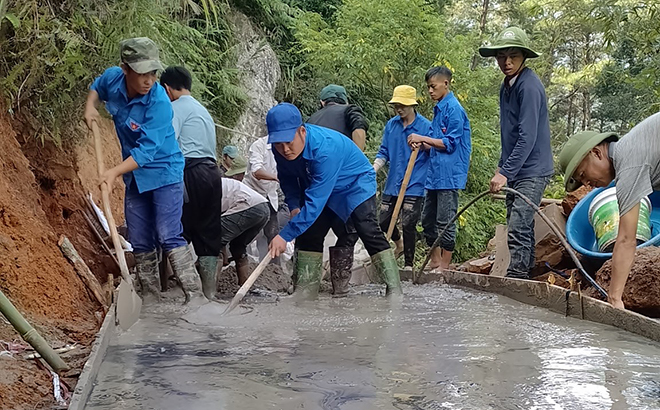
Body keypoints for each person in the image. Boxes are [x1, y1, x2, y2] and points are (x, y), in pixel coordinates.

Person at [83, 38, 206, 305]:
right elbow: (97, 87)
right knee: (139, 237)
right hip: (136, 176)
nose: (148, 80)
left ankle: (195, 298)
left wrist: (113, 172)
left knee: (167, 233)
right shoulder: (113, 79)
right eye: (142, 73)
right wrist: (90, 105)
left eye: (153, 73)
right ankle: (150, 299)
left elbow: (147, 151)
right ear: (125, 69)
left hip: (164, 172)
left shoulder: (159, 102)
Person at [266, 103, 401, 297]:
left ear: (302, 131)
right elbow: (287, 179)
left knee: (365, 228)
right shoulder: (280, 149)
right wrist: (294, 206)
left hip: (354, 185)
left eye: (288, 142)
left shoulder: (325, 149)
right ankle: (305, 291)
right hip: (320, 186)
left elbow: (315, 203)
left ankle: (394, 288)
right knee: (309, 233)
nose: (285, 149)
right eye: (278, 144)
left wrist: (285, 235)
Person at [558, 113, 660, 309]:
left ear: (596, 153)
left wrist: (614, 299)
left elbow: (626, 240)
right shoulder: (634, 150)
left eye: (583, 174)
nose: (586, 183)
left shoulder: (629, 163)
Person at [479, 27, 553, 279]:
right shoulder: (506, 86)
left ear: (523, 57)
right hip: (516, 167)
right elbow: (508, 133)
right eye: (501, 56)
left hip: (533, 168)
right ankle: (524, 274)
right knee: (517, 222)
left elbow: (528, 136)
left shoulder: (529, 87)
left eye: (513, 56)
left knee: (519, 224)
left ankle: (517, 277)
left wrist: (505, 173)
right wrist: (502, 167)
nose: (506, 62)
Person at [160, 66, 223, 300]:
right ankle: (209, 294)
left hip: (190, 172)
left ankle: (172, 292)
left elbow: (168, 142)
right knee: (208, 232)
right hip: (212, 173)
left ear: (167, 88)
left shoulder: (174, 107)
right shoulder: (202, 110)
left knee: (175, 230)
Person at [408, 67, 472, 271]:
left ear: (446, 83)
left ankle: (445, 264)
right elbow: (434, 142)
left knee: (445, 219)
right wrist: (421, 143)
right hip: (434, 174)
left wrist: (423, 138)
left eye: (433, 87)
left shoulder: (454, 109)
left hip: (449, 174)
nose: (430, 91)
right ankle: (435, 259)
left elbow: (450, 143)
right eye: (428, 88)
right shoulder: (439, 109)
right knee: (427, 219)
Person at [373, 85, 431, 271]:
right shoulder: (391, 125)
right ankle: (398, 244)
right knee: (383, 220)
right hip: (393, 183)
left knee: (408, 222)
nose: (399, 109)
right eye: (397, 105)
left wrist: (424, 143)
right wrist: (374, 168)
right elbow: (384, 151)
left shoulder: (425, 126)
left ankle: (408, 264)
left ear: (412, 105)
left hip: (415, 182)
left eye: (403, 105)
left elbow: (435, 150)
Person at [221, 177, 270, 285]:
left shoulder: (201, 187)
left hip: (248, 206)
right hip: (263, 208)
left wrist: (221, 252)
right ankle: (244, 286)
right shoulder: (217, 181)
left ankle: (210, 292)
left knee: (213, 240)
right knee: (238, 246)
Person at [243, 136, 281, 261]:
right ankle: (243, 262)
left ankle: (274, 269)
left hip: (270, 196)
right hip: (252, 194)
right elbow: (257, 172)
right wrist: (277, 177)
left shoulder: (286, 146)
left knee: (273, 234)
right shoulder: (259, 145)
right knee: (246, 233)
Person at [307, 84, 369, 151]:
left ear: (322, 102)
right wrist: (358, 156)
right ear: (346, 102)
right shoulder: (350, 110)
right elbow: (359, 126)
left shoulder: (310, 120)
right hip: (343, 159)